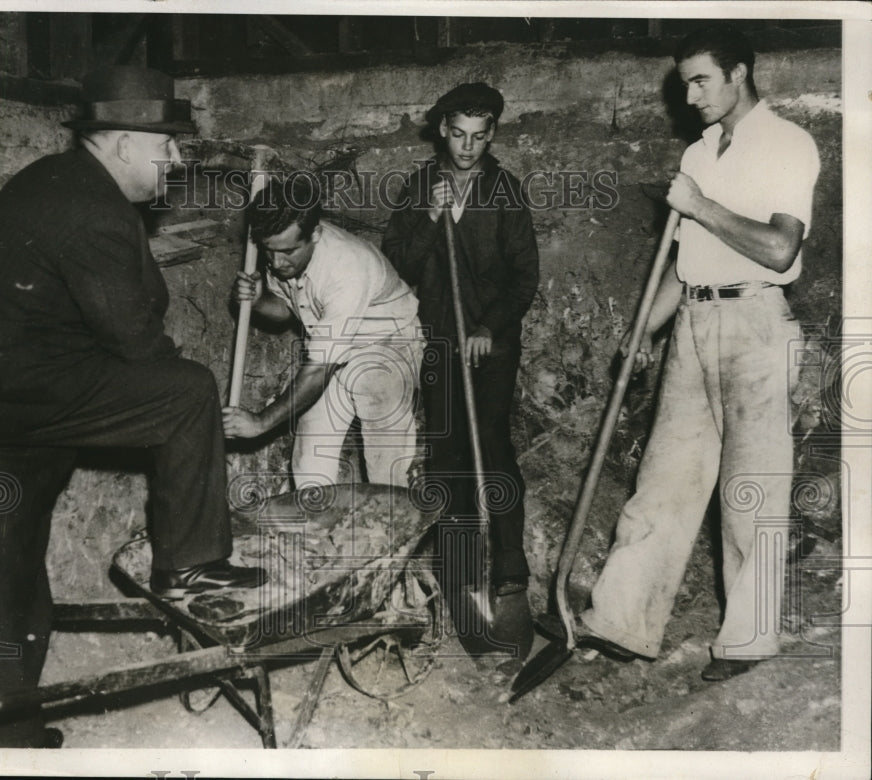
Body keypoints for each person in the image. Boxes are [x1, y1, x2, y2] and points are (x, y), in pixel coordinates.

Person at [0, 66, 266, 748]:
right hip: (20, 400)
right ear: (123, 142)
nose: (173, 163)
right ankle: (189, 560)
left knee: (6, 568)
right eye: (166, 148)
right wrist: (183, 419)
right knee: (188, 390)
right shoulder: (95, 212)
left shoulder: (54, 176)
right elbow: (136, 342)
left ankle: (4, 734)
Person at [544, 25, 820, 681]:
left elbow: (780, 249)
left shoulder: (788, 145)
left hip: (755, 321)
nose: (690, 94)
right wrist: (644, 330)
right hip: (693, 320)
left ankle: (748, 642)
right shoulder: (698, 152)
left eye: (701, 79)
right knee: (663, 479)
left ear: (740, 73)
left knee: (752, 491)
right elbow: (685, 261)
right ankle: (621, 623)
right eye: (683, 82)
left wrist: (701, 204)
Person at [381, 83, 539, 598]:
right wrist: (429, 218)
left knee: (491, 445)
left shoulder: (507, 192)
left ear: (491, 134)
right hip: (436, 340)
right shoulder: (419, 186)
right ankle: (460, 567)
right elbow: (397, 265)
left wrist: (487, 329)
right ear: (442, 131)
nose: (467, 147)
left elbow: (524, 277)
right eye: (457, 135)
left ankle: (510, 569)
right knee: (447, 454)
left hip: (491, 345)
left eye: (478, 136)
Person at [223, 175, 423, 489]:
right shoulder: (282, 253)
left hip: (388, 346)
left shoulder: (346, 267)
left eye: (287, 251)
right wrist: (259, 299)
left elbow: (318, 370)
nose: (276, 262)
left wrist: (260, 422)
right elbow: (288, 310)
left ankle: (392, 524)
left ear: (315, 233)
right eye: (269, 251)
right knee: (310, 455)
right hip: (334, 351)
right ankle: (313, 529)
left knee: (386, 459)